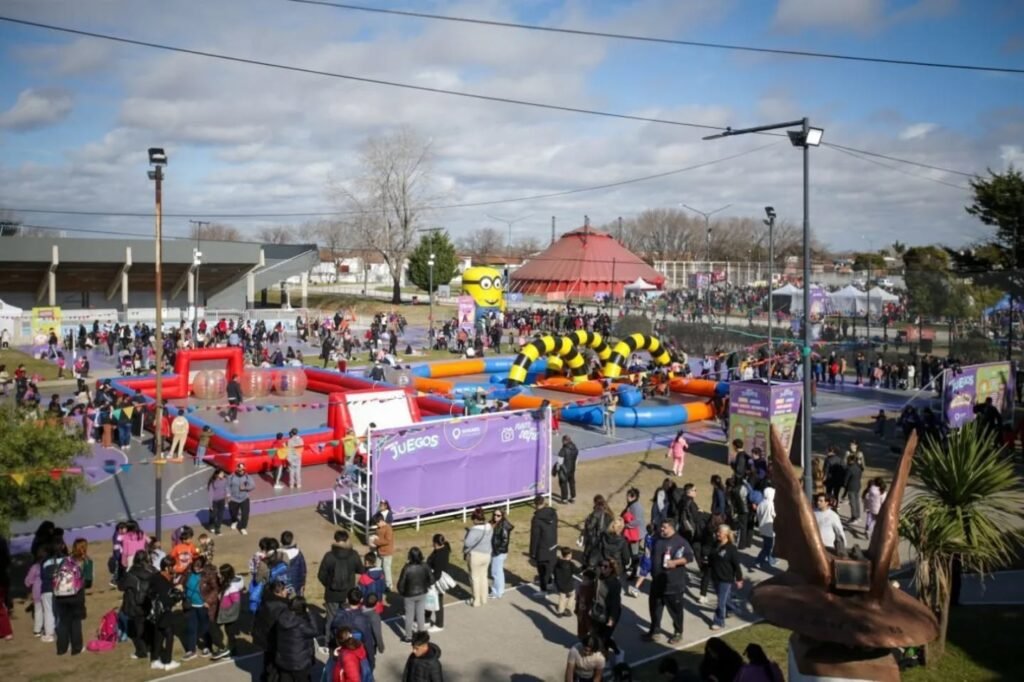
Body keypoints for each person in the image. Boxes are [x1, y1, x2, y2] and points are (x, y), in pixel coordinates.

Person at [642, 519, 695, 644]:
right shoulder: (658, 539)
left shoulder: (680, 542)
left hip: (673, 585)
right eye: (661, 527)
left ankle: (678, 632)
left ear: (672, 528)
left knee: (676, 611)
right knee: (655, 609)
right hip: (656, 583)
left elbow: (689, 557)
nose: (661, 529)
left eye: (664, 527)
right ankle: (655, 631)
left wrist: (675, 562)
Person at [318, 530, 365, 647]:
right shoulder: (353, 554)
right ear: (347, 540)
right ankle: (346, 641)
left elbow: (321, 575)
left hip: (331, 594)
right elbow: (361, 570)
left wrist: (329, 585)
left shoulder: (329, 556)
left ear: (335, 540)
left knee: (330, 619)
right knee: (347, 618)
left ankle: (328, 643)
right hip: (348, 594)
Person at [53, 539, 90, 656]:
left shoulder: (65, 560)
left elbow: (56, 574)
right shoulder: (87, 562)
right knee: (75, 623)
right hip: (76, 595)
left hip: (61, 595)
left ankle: (61, 648)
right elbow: (88, 581)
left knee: (63, 622)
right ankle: (76, 648)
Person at [252, 580, 291, 682]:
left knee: (268, 661)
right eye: (284, 589)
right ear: (278, 592)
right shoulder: (282, 605)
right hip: (275, 640)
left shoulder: (265, 601)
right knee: (274, 666)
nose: (287, 591)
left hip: (264, 638)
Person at [148, 556, 182, 671]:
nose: (175, 568)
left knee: (159, 635)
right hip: (164, 612)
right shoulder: (162, 581)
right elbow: (166, 599)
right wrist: (177, 596)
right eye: (173, 566)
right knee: (169, 635)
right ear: (167, 567)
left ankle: (154, 660)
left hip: (156, 612)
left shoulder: (157, 577)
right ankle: (167, 661)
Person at [708, 525, 743, 630]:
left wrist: (739, 579)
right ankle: (734, 609)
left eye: (720, 532)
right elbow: (712, 558)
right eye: (717, 532)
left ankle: (719, 621)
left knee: (721, 601)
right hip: (715, 577)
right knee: (725, 599)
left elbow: (736, 565)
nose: (717, 534)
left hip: (726, 579)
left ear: (726, 535)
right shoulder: (715, 545)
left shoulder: (731, 549)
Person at [275, 597, 318, 682]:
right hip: (299, 663)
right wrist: (310, 615)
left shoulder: (282, 618)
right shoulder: (301, 624)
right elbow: (314, 631)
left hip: (284, 660)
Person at [591, 559, 623, 663]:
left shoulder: (614, 584)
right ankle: (606, 655)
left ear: (611, 569)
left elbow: (615, 603)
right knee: (599, 635)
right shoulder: (599, 577)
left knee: (603, 638)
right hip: (598, 611)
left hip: (610, 614)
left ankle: (616, 653)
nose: (602, 568)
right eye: (601, 565)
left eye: (605, 566)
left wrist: (611, 618)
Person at [398, 547, 433, 641]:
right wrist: (426, 585)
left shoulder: (407, 568)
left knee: (409, 616)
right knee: (421, 614)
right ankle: (421, 634)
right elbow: (432, 579)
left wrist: (403, 593)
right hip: (422, 593)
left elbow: (400, 584)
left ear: (409, 556)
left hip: (409, 595)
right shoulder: (424, 566)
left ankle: (408, 637)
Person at [462, 507, 493, 607]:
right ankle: (484, 598)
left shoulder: (474, 530)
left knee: (475, 578)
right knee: (484, 576)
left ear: (475, 519)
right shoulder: (489, 527)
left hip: (476, 555)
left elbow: (467, 543)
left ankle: (476, 600)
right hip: (487, 555)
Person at [213, 563, 244, 660]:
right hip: (226, 614)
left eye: (220, 574)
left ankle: (232, 652)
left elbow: (236, 603)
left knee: (230, 634)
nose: (218, 575)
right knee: (229, 633)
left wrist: (229, 613)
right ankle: (231, 651)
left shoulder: (232, 587)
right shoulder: (225, 583)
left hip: (229, 615)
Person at [530, 494, 559, 592]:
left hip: (541, 547)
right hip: (553, 544)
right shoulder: (553, 513)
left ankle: (543, 590)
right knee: (549, 567)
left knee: (542, 571)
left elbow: (535, 537)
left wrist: (532, 552)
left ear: (535, 504)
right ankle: (550, 583)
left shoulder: (536, 519)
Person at [426, 534, 450, 633]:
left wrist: (430, 582)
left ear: (436, 543)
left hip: (437, 581)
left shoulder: (440, 554)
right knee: (430, 600)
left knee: (437, 602)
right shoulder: (444, 549)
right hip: (436, 578)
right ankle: (426, 619)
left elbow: (438, 573)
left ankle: (439, 624)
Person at [582, 495, 613, 567]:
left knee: (589, 551)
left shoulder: (596, 513)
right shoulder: (609, 511)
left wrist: (587, 521)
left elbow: (590, 526)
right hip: (605, 536)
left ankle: (588, 565)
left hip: (595, 536)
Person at [490, 509, 514, 599]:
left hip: (499, 552)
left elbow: (505, 540)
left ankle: (497, 592)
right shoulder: (495, 523)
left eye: (498, 515)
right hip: (497, 551)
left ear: (502, 516)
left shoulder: (503, 526)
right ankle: (500, 590)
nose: (495, 517)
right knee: (499, 571)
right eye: (494, 514)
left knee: (495, 572)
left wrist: (497, 551)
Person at [227, 462, 255, 536]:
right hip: (233, 499)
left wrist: (245, 488)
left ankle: (243, 527)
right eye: (240, 470)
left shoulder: (247, 477)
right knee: (233, 513)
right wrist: (228, 495)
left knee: (245, 514)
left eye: (242, 470)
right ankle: (234, 521)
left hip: (244, 498)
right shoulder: (231, 477)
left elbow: (252, 485)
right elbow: (227, 486)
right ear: (237, 469)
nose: (241, 471)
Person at [753, 486, 777, 569]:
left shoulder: (761, 503)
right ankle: (758, 561)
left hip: (762, 528)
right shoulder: (770, 504)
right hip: (769, 528)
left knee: (767, 545)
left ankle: (771, 559)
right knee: (768, 547)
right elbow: (774, 515)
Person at [373, 504, 395, 590]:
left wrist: (376, 542)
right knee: (377, 568)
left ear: (381, 521)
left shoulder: (388, 528)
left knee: (386, 570)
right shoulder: (378, 529)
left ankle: (389, 585)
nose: (376, 525)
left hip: (387, 553)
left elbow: (387, 541)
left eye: (377, 523)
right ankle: (378, 582)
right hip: (379, 552)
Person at [280, 530, 307, 598]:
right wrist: (303, 583)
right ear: (291, 540)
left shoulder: (278, 554)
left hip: (282, 584)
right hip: (296, 584)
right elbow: (303, 570)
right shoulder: (298, 553)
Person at [555, 435, 579, 503]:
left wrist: (557, 469)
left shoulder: (563, 450)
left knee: (563, 484)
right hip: (572, 469)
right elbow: (576, 459)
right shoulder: (575, 448)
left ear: (564, 441)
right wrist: (574, 467)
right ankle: (573, 497)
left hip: (564, 470)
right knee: (572, 483)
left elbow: (560, 462)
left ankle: (564, 499)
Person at [554, 546, 577, 617]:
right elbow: (577, 571)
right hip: (569, 584)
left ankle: (560, 612)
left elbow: (554, 572)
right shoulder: (570, 564)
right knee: (572, 595)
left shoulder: (557, 562)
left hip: (560, 584)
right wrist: (584, 567)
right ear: (569, 555)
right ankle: (568, 608)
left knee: (562, 597)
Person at [844, 453, 864, 525]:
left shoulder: (850, 469)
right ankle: (858, 516)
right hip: (857, 486)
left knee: (852, 503)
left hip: (851, 487)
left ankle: (854, 517)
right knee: (857, 502)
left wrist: (844, 485)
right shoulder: (858, 467)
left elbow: (846, 479)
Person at [207, 469, 229, 535]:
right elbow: (210, 493)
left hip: (221, 500)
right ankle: (211, 526)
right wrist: (210, 504)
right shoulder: (212, 482)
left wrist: (228, 493)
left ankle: (217, 529)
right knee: (213, 515)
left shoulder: (225, 480)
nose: (223, 475)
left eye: (223, 473)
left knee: (220, 515)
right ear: (217, 474)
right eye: (221, 474)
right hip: (214, 501)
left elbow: (226, 488)